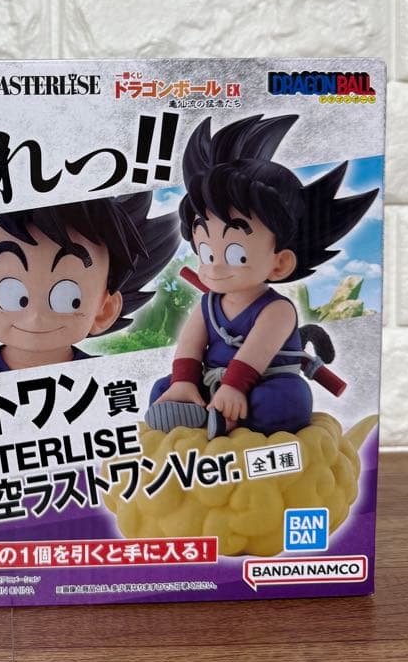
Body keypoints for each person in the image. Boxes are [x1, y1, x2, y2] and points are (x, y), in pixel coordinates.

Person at [147, 114, 378, 437]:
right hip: (213, 378)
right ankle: (206, 413)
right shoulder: (208, 304)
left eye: (235, 255)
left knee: (281, 402)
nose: (214, 267)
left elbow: (255, 352)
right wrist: (184, 380)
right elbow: (190, 343)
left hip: (264, 380)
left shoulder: (277, 310)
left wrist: (234, 387)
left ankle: (222, 418)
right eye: (207, 253)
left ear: (279, 263)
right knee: (163, 388)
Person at [0, 193, 179, 377]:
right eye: (12, 295)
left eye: (68, 298)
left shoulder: (96, 375)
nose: (36, 316)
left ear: (104, 310)